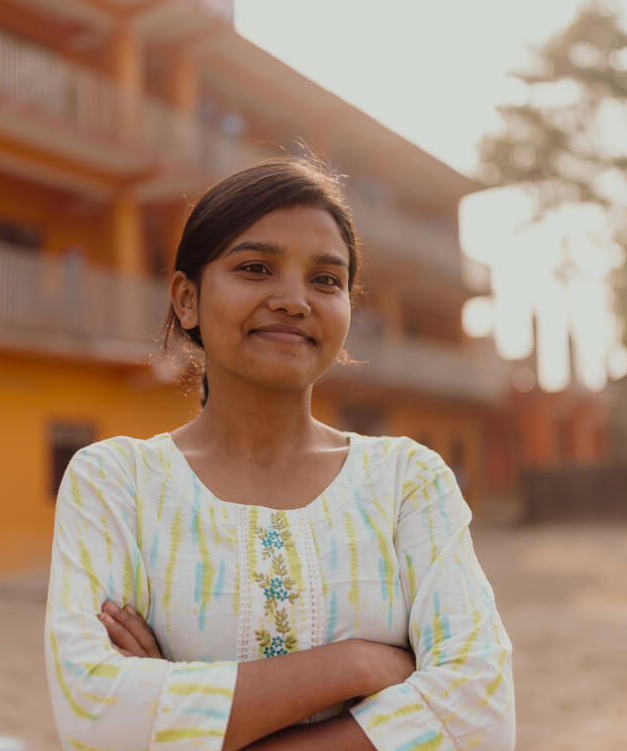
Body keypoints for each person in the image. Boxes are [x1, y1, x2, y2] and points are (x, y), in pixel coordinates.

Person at [44, 158, 515, 751]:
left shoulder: (408, 482)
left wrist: (181, 714)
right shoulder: (116, 483)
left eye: (326, 280)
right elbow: (96, 716)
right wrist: (355, 667)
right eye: (256, 268)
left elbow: (482, 716)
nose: (294, 300)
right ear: (186, 300)